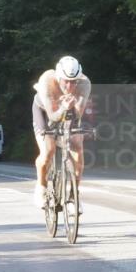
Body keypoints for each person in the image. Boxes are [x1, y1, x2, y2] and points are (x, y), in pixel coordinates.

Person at [32, 56, 91, 209]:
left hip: (67, 113)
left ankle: (74, 192)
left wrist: (71, 107)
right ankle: (41, 188)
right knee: (48, 151)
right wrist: (64, 107)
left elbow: (77, 114)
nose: (70, 85)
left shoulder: (84, 83)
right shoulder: (47, 81)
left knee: (78, 146)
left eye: (74, 81)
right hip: (45, 113)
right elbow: (52, 116)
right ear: (58, 77)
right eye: (66, 81)